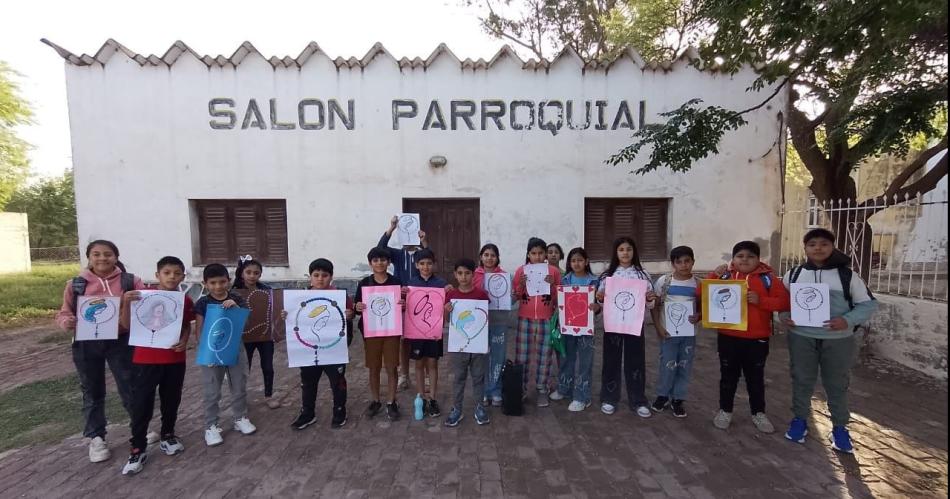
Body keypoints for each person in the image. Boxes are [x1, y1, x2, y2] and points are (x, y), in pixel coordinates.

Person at [780, 229, 878, 453]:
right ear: (805, 248)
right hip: (801, 338)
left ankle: (840, 428)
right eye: (812, 244)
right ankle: (799, 421)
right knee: (801, 379)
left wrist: (847, 320)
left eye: (824, 243)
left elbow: (868, 304)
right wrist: (785, 317)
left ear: (832, 247)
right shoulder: (793, 274)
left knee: (837, 383)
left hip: (838, 340)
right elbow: (783, 302)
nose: (818, 248)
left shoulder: (847, 276)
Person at [56, 240, 145, 463]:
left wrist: (130, 301)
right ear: (89, 257)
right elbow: (64, 312)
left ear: (116, 257)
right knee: (92, 390)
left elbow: (145, 306)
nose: (102, 258)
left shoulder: (130, 281)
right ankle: (96, 437)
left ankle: (139, 428)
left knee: (130, 386)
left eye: (107, 254)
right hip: (87, 343)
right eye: (96, 254)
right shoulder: (76, 284)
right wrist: (67, 322)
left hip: (121, 341)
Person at [118, 256, 194, 475]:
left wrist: (185, 339)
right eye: (167, 272)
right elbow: (125, 324)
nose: (172, 277)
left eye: (177, 273)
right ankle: (137, 447)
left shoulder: (184, 300)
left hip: (174, 360)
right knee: (142, 404)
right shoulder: (140, 297)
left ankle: (168, 435)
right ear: (157, 275)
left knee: (171, 400)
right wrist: (125, 302)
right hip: (145, 361)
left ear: (183, 276)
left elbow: (186, 326)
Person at [704, 241, 790, 433]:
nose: (745, 260)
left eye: (750, 256)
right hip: (728, 336)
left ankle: (758, 413)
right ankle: (725, 411)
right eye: (740, 256)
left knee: (755, 378)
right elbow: (701, 294)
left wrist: (762, 301)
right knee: (728, 377)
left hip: (757, 338)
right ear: (733, 259)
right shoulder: (725, 276)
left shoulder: (768, 278)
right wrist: (713, 276)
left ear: (758, 260)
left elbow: (784, 302)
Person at [194, 263, 257, 446]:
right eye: (213, 283)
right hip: (211, 352)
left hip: (235, 348)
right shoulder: (203, 303)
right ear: (205, 283)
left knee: (239, 385)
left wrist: (236, 309)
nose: (218, 286)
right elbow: (199, 330)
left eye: (222, 282)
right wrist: (207, 354)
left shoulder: (237, 298)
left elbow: (245, 325)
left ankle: (240, 418)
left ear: (228, 281)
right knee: (212, 390)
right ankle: (211, 426)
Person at [288, 258, 355, 430]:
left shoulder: (340, 295)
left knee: (337, 381)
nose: (320, 279)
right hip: (308, 349)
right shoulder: (300, 297)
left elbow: (350, 315)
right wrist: (285, 315)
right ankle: (307, 413)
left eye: (324, 275)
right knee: (308, 382)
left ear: (331, 277)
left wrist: (350, 314)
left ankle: (340, 410)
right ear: (310, 277)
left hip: (333, 349)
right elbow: (294, 318)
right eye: (316, 275)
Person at [596, 237, 657, 417]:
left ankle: (638, 399)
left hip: (634, 324)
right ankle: (609, 397)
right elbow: (600, 299)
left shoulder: (642, 274)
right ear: (616, 253)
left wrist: (650, 298)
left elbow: (650, 303)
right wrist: (599, 297)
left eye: (628, 249)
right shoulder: (608, 275)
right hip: (613, 325)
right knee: (611, 361)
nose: (625, 253)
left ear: (634, 252)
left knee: (635, 361)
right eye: (621, 249)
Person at [377, 215, 429, 392]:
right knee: (404, 341)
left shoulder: (422, 253)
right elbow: (380, 249)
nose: (408, 235)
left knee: (424, 338)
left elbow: (430, 258)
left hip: (421, 300)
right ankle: (405, 375)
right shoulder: (398, 254)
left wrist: (424, 241)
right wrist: (391, 228)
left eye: (412, 231)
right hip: (401, 300)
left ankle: (426, 376)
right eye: (405, 231)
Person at [650, 246, 701, 418]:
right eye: (679, 262)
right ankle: (662, 396)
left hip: (689, 334)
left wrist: (699, 316)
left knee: (684, 366)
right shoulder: (664, 282)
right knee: (667, 365)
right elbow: (655, 307)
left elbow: (704, 307)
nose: (684, 265)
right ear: (673, 264)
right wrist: (658, 327)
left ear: (693, 261)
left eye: (687, 261)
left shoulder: (699, 284)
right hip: (668, 333)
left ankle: (678, 399)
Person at [355, 246, 403, 421]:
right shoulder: (364, 283)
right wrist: (357, 307)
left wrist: (402, 303)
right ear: (370, 263)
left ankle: (391, 401)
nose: (379, 263)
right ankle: (375, 400)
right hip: (371, 331)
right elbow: (357, 307)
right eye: (375, 260)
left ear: (388, 262)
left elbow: (402, 305)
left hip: (391, 331)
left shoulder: (396, 282)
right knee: (373, 366)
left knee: (391, 366)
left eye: (383, 260)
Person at [550, 247, 601, 411]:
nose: (577, 263)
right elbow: (560, 302)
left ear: (586, 262)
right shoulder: (565, 280)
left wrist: (597, 307)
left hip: (587, 329)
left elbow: (600, 305)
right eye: (573, 260)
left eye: (580, 260)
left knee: (585, 362)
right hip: (568, 326)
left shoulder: (594, 281)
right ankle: (564, 388)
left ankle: (582, 397)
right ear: (569, 263)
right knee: (566, 358)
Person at [512, 237, 561, 407]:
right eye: (534, 253)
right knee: (522, 355)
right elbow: (515, 296)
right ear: (528, 254)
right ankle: (521, 389)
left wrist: (554, 285)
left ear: (545, 254)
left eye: (541, 253)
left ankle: (542, 389)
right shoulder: (521, 271)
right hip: (525, 319)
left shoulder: (553, 271)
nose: (538, 256)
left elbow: (558, 298)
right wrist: (521, 286)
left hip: (546, 318)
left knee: (544, 355)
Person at [443, 258, 492, 426]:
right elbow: (445, 319)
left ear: (473, 275)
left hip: (478, 345)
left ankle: (480, 407)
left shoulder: (481, 295)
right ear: (455, 275)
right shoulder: (451, 295)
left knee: (478, 377)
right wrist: (446, 311)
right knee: (459, 377)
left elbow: (485, 320)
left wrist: (486, 342)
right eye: (460, 273)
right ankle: (457, 409)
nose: (464, 277)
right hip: (458, 346)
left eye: (467, 273)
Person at [404, 248, 449, 418]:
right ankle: (421, 396)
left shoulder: (441, 284)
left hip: (433, 332)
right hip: (416, 332)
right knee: (418, 364)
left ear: (434, 265)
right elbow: (406, 307)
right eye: (422, 263)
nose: (425, 267)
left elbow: (446, 306)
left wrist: (449, 291)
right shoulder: (410, 284)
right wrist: (403, 296)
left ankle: (433, 398)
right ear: (416, 265)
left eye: (429, 263)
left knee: (433, 364)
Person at [232, 256, 279, 409]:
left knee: (268, 366)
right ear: (242, 273)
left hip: (265, 334)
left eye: (256, 273)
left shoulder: (266, 291)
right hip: (244, 337)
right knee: (245, 367)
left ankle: (269, 395)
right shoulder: (233, 293)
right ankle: (240, 397)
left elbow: (275, 310)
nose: (252, 276)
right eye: (249, 272)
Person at [473, 243, 509, 407]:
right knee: (481, 358)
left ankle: (496, 390)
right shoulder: (474, 275)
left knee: (498, 357)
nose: (489, 258)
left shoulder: (504, 276)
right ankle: (483, 392)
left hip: (499, 322)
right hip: (479, 324)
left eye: (492, 255)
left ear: (497, 258)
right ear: (481, 257)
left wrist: (513, 295)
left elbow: (511, 300)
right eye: (486, 254)